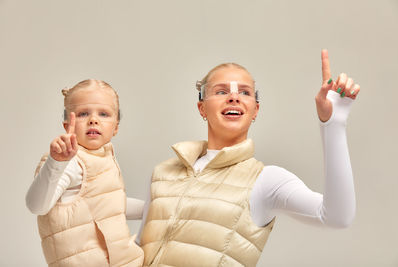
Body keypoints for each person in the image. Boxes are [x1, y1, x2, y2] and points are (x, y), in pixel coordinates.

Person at [137, 50, 360, 267]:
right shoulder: (164, 172)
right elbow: (138, 247)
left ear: (255, 110)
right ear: (201, 107)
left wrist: (334, 124)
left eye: (244, 92)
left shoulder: (266, 180)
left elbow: (337, 217)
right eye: (221, 91)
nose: (234, 97)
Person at [26, 80, 144, 267]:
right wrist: (56, 162)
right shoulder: (68, 161)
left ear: (116, 127)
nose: (93, 120)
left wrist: (152, 207)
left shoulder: (103, 157)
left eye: (103, 114)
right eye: (83, 114)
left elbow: (108, 205)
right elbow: (37, 205)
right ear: (67, 125)